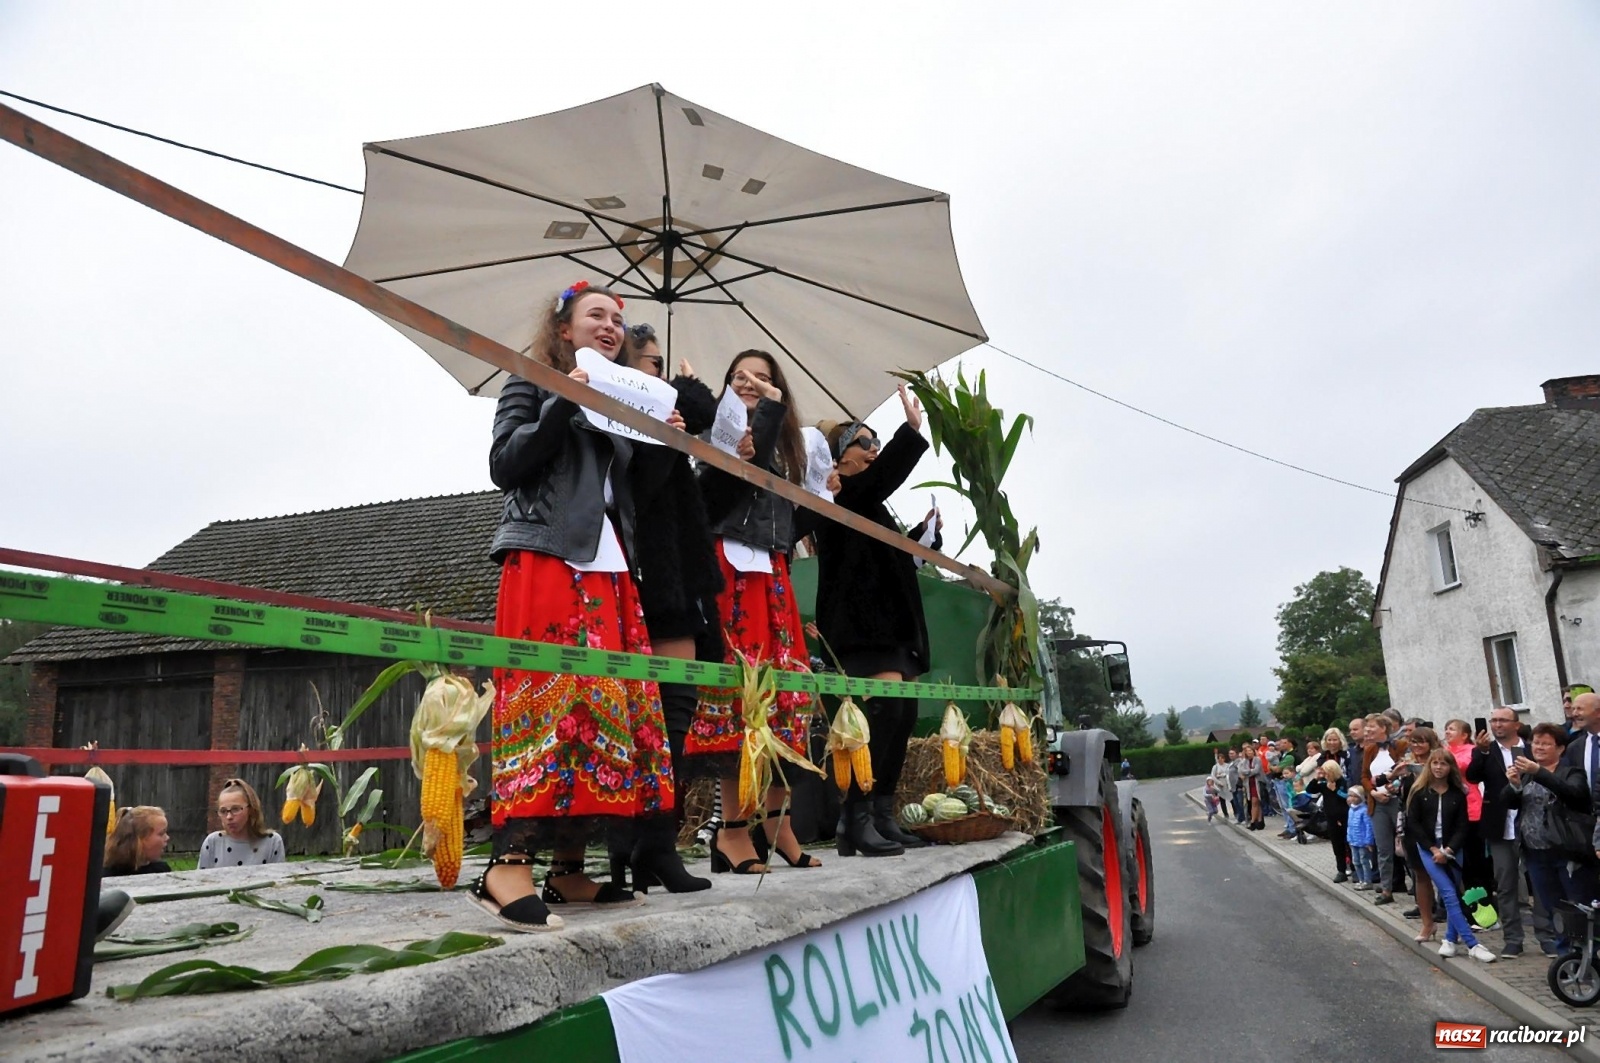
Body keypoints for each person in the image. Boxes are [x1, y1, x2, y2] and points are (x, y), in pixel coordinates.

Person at [474, 281, 676, 931]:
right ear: (564, 329)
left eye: (618, 319)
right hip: (548, 559)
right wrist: (566, 399)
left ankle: (567, 867)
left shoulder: (619, 401)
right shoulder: (531, 378)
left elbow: (632, 496)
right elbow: (506, 463)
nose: (612, 326)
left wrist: (660, 443)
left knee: (605, 714)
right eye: (598, 316)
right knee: (553, 708)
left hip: (610, 571)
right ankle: (506, 866)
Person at [693, 349, 822, 874]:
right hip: (731, 569)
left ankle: (779, 824)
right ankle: (731, 829)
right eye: (742, 376)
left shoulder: (790, 447)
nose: (752, 383)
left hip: (772, 572)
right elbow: (723, 491)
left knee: (780, 702)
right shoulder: (711, 432)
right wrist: (762, 414)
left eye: (765, 378)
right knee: (741, 702)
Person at [609, 323, 720, 895]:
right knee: (636, 720)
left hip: (680, 575)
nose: (666, 373)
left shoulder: (666, 419)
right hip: (635, 571)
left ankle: (657, 843)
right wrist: (672, 416)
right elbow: (635, 493)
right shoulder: (610, 413)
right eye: (653, 364)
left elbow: (706, 412)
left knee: (675, 716)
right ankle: (626, 844)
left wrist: (673, 422)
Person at [815, 384, 939, 858]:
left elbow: (891, 557)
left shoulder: (871, 503)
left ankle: (881, 813)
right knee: (879, 717)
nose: (874, 450)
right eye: (864, 443)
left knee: (902, 714)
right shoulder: (839, 495)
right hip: (862, 627)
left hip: (893, 627)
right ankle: (855, 816)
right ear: (838, 459)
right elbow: (879, 481)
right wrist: (909, 433)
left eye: (876, 443)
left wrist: (924, 539)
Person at [1505, 722, 1593, 953]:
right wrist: (1514, 784)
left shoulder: (1571, 772)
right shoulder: (1527, 775)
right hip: (1535, 853)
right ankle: (1565, 954)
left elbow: (1574, 795)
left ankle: (1586, 956)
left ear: (1560, 748)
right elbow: (1509, 802)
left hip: (1566, 852)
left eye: (1546, 743)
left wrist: (1539, 772)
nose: (1539, 747)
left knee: (1577, 905)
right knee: (1553, 907)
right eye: (1536, 742)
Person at [1406, 748, 1497, 962]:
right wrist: (1434, 849)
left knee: (1453, 893)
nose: (1438, 767)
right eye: (1435, 763)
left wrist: (1449, 850)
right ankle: (1472, 944)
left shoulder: (1458, 793)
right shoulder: (1420, 791)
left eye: (1443, 764)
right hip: (1428, 849)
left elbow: (1462, 826)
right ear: (1429, 766)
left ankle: (1449, 940)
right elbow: (1414, 824)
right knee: (1448, 892)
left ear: (1450, 767)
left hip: (1453, 850)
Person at [1468, 707, 1539, 957]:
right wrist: (1482, 751)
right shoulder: (1487, 751)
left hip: (1531, 824)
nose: (1497, 725)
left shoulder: (1531, 750)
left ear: (1516, 725)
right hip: (1499, 825)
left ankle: (1547, 936)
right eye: (1493, 720)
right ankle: (1513, 939)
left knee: (1539, 884)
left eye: (1502, 720)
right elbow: (1473, 776)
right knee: (1506, 884)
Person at [1444, 718, 1493, 906]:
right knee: (1459, 861)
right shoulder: (1445, 751)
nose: (1447, 732)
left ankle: (1484, 904)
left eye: (1452, 729)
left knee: (1476, 862)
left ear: (1464, 735)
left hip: (1472, 809)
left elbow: (1463, 767)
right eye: (1446, 729)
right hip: (1451, 810)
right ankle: (1466, 902)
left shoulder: (1471, 750)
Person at [1361, 713, 1404, 905]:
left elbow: (1406, 770)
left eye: (1371, 726)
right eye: (1367, 726)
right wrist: (1373, 792)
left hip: (1398, 802)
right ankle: (1387, 890)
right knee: (1383, 849)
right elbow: (1363, 776)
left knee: (1407, 847)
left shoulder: (1400, 746)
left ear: (1383, 728)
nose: (1368, 730)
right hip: (1378, 804)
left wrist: (1395, 785)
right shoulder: (1370, 749)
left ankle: (1419, 890)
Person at [197, 778, 285, 868]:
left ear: (250, 810)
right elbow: (202, 880)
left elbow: (278, 880)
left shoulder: (272, 842)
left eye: (236, 809)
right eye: (223, 811)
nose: (229, 817)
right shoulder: (213, 842)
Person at [1306, 761, 1349, 881]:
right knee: (1337, 845)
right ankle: (1341, 870)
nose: (1325, 774)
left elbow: (1347, 797)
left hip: (1343, 817)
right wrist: (1316, 778)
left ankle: (1355, 869)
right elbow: (1310, 790)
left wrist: (1335, 790)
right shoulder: (1323, 782)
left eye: (1326, 772)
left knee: (1348, 844)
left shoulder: (1342, 781)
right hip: (1331, 818)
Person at [103, 806, 171, 876]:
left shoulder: (161, 870)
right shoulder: (107, 875)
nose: (167, 838)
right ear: (139, 839)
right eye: (161, 833)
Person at [1346, 786, 1377, 889]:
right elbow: (1349, 825)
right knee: (1356, 861)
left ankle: (1367, 881)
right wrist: (1349, 838)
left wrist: (1368, 841)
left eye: (1355, 796)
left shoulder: (1364, 810)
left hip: (1363, 842)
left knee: (1364, 861)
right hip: (1354, 840)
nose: (1352, 798)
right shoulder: (1351, 810)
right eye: (1351, 796)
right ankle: (1360, 879)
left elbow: (1369, 826)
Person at [1239, 741, 1265, 830]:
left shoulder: (1257, 759)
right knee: (1256, 803)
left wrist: (1248, 772)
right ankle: (1260, 821)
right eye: (1247, 751)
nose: (1249, 752)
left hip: (1257, 783)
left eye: (1250, 751)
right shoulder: (1245, 761)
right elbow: (1242, 770)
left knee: (1254, 802)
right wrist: (1250, 771)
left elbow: (1256, 771)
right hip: (1249, 784)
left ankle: (1253, 822)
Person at [1226, 749, 1245, 824]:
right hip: (1232, 786)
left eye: (1232, 753)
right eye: (1229, 753)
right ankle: (1239, 818)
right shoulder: (1231, 763)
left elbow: (1241, 772)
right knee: (1236, 803)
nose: (1231, 755)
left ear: (1236, 754)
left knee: (1240, 802)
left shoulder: (1238, 762)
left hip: (1238, 786)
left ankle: (1243, 818)